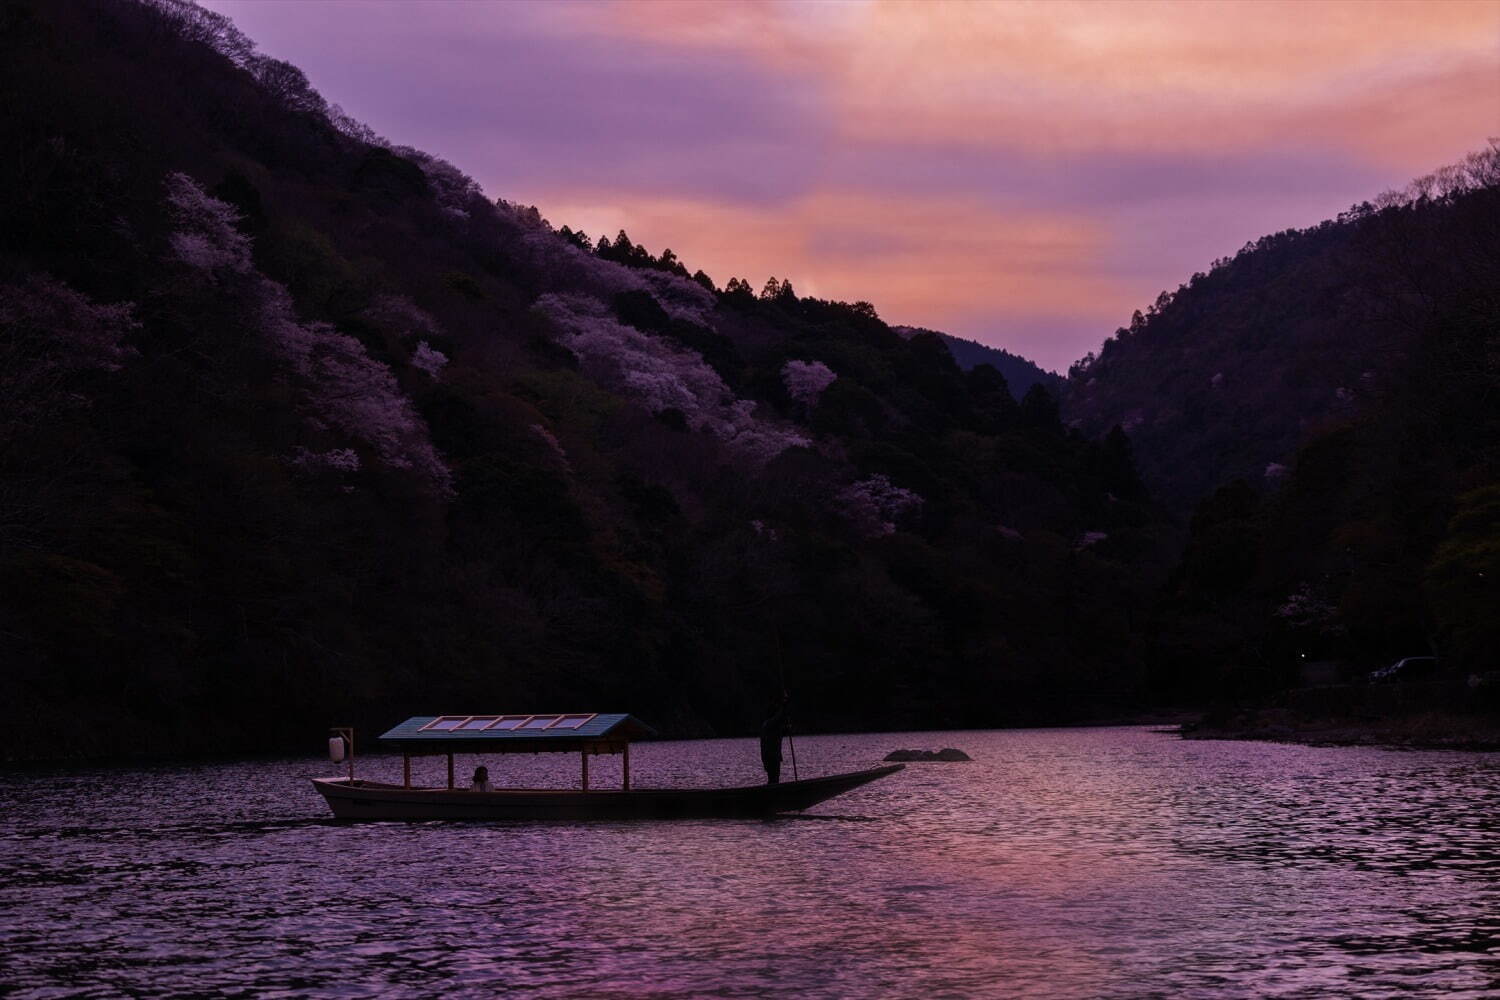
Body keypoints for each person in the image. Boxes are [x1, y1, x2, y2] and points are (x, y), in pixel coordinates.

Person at [760, 694, 791, 784]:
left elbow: (781, 729)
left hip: (772, 756)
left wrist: (787, 727)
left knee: (774, 778)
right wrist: (784, 705)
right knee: (773, 777)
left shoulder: (772, 725)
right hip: (770, 756)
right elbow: (779, 716)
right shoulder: (769, 724)